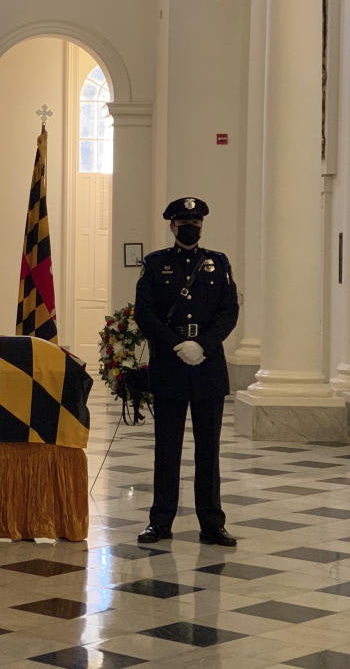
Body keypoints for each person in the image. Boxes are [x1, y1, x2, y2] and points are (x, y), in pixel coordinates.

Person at [134, 197, 239, 547]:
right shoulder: (155, 264)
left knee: (208, 450)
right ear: (172, 226)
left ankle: (212, 523)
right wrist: (177, 344)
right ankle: (160, 521)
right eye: (183, 222)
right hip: (170, 365)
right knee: (167, 448)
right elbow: (144, 313)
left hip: (207, 367)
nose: (190, 226)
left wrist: (203, 345)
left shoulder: (218, 263)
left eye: (195, 221)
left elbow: (229, 312)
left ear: (202, 225)